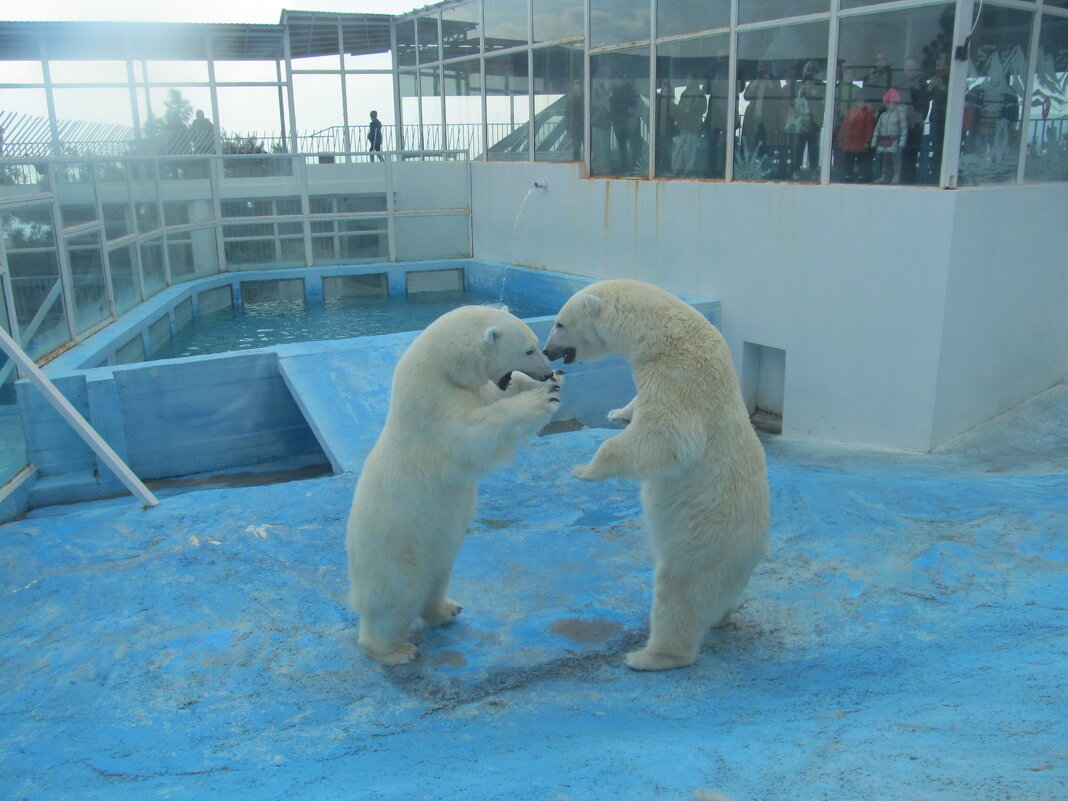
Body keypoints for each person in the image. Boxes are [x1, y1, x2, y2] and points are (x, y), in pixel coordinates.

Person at [741, 60, 786, 165]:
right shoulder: (754, 80)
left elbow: (778, 96)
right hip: (753, 119)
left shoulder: (774, 81)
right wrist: (756, 81)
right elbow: (746, 96)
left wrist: (768, 82)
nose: (761, 69)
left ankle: (766, 170)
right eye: (760, 66)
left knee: (767, 148)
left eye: (764, 66)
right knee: (751, 145)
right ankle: (750, 169)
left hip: (768, 120)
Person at [786, 59, 824, 180]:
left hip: (815, 119)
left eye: (814, 70)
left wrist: (813, 93)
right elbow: (791, 100)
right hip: (800, 120)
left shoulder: (821, 86)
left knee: (814, 146)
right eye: (809, 69)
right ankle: (796, 170)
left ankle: (814, 170)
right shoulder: (799, 84)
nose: (812, 73)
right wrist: (801, 92)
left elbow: (823, 102)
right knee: (798, 146)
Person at [900, 58, 931, 183]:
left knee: (911, 155)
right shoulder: (901, 84)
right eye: (907, 67)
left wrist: (918, 118)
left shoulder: (921, 84)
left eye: (912, 67)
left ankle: (909, 180)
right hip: (901, 125)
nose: (909, 70)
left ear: (917, 69)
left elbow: (923, 104)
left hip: (915, 126)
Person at [671, 74, 707, 176]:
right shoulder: (684, 94)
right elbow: (679, 108)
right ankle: (676, 168)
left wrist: (692, 109)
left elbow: (703, 108)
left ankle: (688, 169)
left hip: (694, 124)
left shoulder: (701, 95)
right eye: (688, 80)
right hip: (683, 124)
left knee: (691, 147)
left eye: (691, 80)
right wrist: (682, 111)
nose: (689, 82)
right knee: (679, 146)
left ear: (696, 81)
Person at [871, 88, 908, 184]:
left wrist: (902, 142)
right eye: (886, 103)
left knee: (896, 159)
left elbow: (903, 129)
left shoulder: (900, 114)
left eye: (889, 102)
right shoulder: (883, 115)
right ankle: (885, 176)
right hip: (884, 139)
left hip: (894, 140)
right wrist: (874, 140)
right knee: (885, 159)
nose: (887, 105)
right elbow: (877, 128)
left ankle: (896, 176)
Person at [836, 97, 875, 183]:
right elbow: (844, 126)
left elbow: (869, 129)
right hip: (850, 143)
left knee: (861, 161)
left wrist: (867, 141)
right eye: (857, 101)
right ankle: (848, 175)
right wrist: (840, 139)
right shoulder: (851, 113)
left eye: (861, 101)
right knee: (849, 161)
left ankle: (862, 176)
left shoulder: (868, 113)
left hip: (860, 143)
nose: (859, 103)